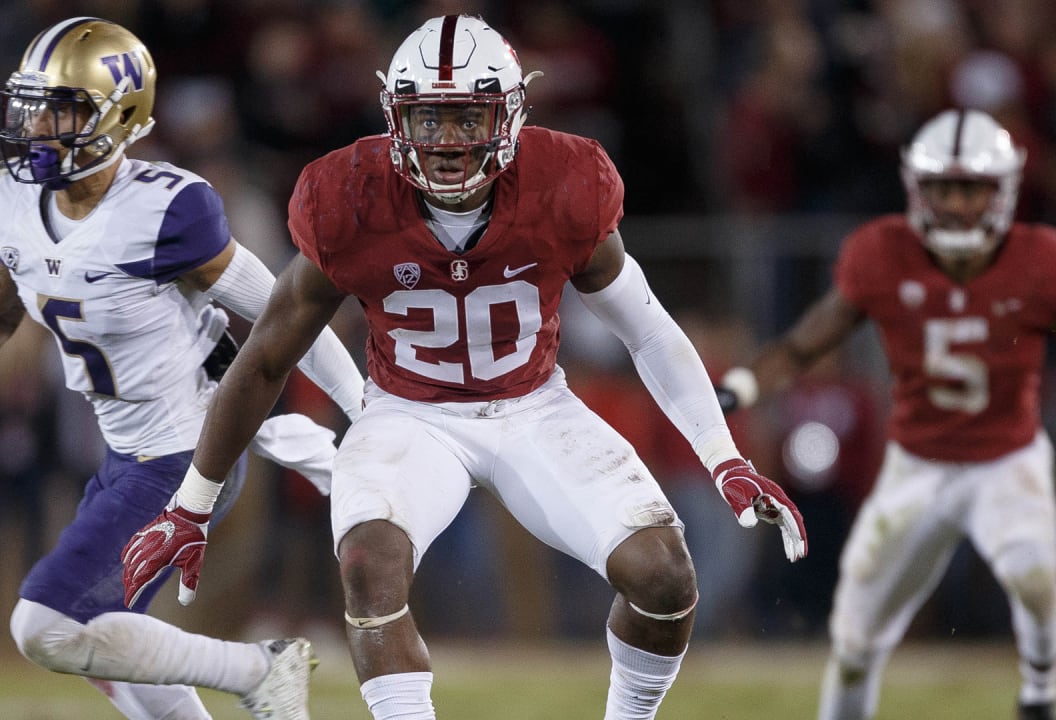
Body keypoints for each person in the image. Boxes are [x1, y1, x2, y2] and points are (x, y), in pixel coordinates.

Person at [122, 15, 807, 720]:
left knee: (663, 575)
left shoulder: (564, 183)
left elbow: (651, 333)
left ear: (509, 115)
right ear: (395, 117)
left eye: (467, 118)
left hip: (534, 406)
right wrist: (190, 506)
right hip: (407, 416)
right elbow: (266, 357)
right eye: (428, 119)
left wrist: (723, 458)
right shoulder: (349, 197)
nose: (447, 144)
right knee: (369, 566)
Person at [0, 17, 366, 720]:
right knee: (104, 649)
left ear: (119, 116)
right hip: (121, 452)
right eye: (33, 106)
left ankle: (260, 667)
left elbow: (285, 312)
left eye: (64, 110)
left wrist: (363, 412)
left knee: (45, 626)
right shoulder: (12, 200)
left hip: (186, 454)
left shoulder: (163, 209)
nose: (40, 126)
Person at [714, 108, 1056, 720]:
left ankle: (1041, 690)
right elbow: (802, 347)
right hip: (917, 464)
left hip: (1009, 457)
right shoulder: (882, 252)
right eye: (943, 189)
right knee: (854, 637)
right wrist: (737, 389)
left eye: (970, 189)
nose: (954, 205)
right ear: (916, 190)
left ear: (1002, 192)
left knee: (1040, 574)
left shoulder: (1040, 260)